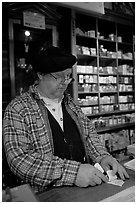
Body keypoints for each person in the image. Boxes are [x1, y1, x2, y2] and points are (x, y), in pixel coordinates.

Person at [3, 45, 129, 193]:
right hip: (45, 195)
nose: (65, 82)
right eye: (58, 76)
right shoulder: (18, 109)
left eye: (68, 76)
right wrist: (73, 173)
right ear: (40, 74)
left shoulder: (72, 105)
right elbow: (19, 160)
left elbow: (89, 136)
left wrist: (102, 157)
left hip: (84, 190)